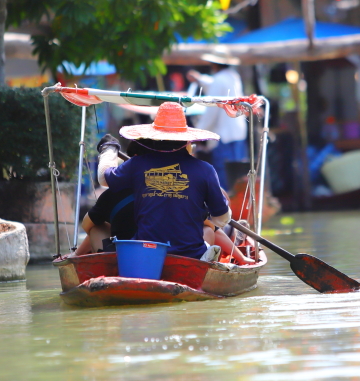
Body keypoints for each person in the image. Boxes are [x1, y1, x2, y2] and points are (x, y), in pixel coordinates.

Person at [96, 102, 232, 260]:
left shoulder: (137, 164)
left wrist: (109, 149)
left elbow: (103, 178)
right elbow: (221, 219)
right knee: (209, 234)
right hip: (191, 256)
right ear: (188, 142)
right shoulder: (206, 170)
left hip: (146, 254)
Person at [186, 54, 248, 186]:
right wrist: (200, 79)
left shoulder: (219, 80)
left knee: (223, 173)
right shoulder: (233, 76)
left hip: (224, 135)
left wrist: (198, 132)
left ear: (214, 65)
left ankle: (225, 204)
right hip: (237, 132)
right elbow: (216, 87)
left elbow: (211, 111)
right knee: (237, 173)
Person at [73, 186, 135, 255]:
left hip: (125, 254)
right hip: (147, 249)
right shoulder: (146, 194)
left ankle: (80, 255)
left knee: (96, 228)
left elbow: (86, 224)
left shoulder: (113, 193)